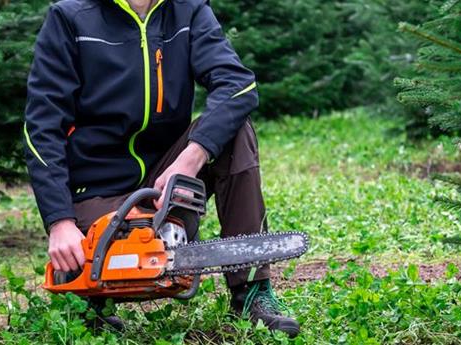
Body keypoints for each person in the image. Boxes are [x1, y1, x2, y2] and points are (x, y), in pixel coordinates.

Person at [24, 0, 299, 337]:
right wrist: (60, 222)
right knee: (98, 269)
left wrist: (192, 157)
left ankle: (252, 295)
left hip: (167, 178)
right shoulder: (70, 18)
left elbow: (237, 85)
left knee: (235, 131)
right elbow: (42, 127)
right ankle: (90, 304)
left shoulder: (189, 10)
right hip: (96, 190)